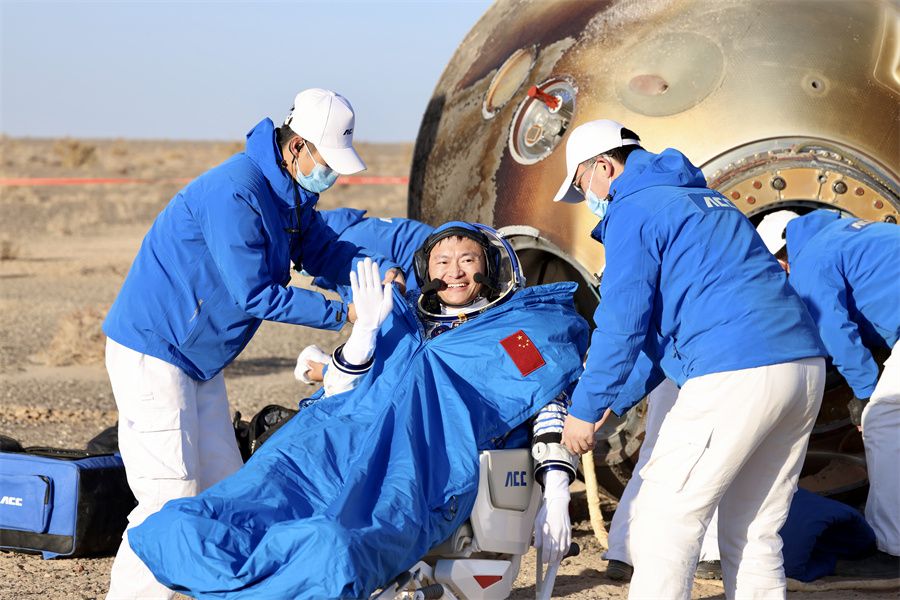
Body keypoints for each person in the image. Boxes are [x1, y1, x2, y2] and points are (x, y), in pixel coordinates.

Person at [126, 223, 589, 599]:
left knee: (334, 543)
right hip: (329, 442)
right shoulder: (397, 316)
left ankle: (301, 566)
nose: (455, 272)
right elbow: (342, 387)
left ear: (493, 267)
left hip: (421, 463)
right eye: (442, 262)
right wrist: (366, 332)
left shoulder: (521, 336)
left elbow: (546, 404)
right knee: (217, 513)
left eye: (468, 261)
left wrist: (555, 492)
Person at [101, 88, 404, 600]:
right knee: (167, 496)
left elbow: (324, 250)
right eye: (326, 162)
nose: (329, 175)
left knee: (226, 489)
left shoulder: (291, 199)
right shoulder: (235, 192)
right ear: (296, 149)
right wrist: (344, 313)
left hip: (197, 360)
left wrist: (372, 275)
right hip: (155, 351)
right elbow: (255, 294)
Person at [552, 119, 827, 598]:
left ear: (602, 165)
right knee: (754, 530)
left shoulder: (633, 209)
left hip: (735, 369)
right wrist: (613, 403)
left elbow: (623, 324)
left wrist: (583, 409)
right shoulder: (704, 199)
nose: (588, 199)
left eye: (582, 184)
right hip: (802, 365)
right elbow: (664, 333)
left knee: (664, 517)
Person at [759, 208, 900, 558]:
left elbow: (837, 333)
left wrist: (866, 393)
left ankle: (891, 546)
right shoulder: (845, 233)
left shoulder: (810, 261)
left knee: (883, 419)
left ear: (781, 255)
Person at [295, 209, 435, 385]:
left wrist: (326, 370)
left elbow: (375, 330)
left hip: (430, 285)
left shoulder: (346, 250)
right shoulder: (340, 236)